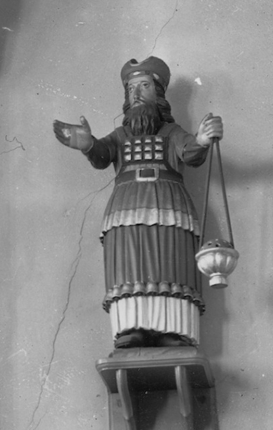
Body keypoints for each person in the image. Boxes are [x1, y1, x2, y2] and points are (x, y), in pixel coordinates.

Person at [53, 57, 222, 350]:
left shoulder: (171, 133)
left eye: (144, 86)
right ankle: (131, 328)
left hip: (169, 204)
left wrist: (203, 140)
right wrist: (88, 144)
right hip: (126, 208)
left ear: (159, 93)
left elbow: (190, 153)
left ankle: (173, 329)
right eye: (131, 88)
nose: (136, 93)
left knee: (170, 265)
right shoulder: (121, 136)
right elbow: (102, 155)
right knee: (129, 265)